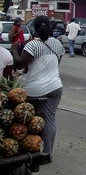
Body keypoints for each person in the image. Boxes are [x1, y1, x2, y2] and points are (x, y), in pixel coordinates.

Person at [11, 15, 65, 159]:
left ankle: (29, 150)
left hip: (35, 90)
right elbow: (56, 63)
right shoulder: (57, 44)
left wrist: (15, 50)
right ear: (49, 27)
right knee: (50, 118)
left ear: (34, 28)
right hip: (56, 87)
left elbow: (20, 63)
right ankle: (47, 152)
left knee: (27, 119)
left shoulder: (32, 45)